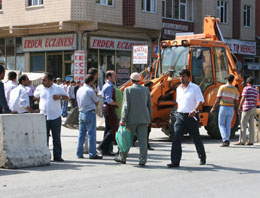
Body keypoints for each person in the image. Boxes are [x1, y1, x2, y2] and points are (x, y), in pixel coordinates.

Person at [167, 69, 206, 168]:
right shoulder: (178, 88)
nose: (181, 78)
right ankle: (175, 161)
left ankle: (202, 156)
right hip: (180, 116)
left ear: (189, 77)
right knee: (176, 138)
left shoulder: (195, 88)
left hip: (191, 116)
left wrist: (195, 110)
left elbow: (200, 101)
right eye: (180, 76)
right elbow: (179, 102)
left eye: (183, 76)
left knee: (196, 138)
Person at [114, 72, 152, 166]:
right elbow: (149, 106)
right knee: (143, 141)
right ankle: (142, 160)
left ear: (131, 81)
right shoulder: (146, 90)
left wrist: (123, 119)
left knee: (126, 139)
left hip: (131, 120)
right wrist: (149, 119)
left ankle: (122, 157)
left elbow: (126, 106)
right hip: (143, 119)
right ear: (140, 80)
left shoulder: (128, 90)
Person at [34, 72, 69, 162]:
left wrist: (59, 97)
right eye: (42, 80)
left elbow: (67, 97)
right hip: (43, 116)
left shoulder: (58, 88)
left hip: (55, 116)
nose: (42, 81)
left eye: (44, 80)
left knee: (56, 137)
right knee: (44, 137)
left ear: (50, 81)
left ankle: (57, 156)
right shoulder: (40, 88)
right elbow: (35, 96)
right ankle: (45, 156)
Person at [76, 74, 102, 159]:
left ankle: (79, 153)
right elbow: (97, 101)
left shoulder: (80, 89)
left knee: (81, 134)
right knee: (91, 134)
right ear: (91, 81)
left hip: (81, 112)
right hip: (89, 113)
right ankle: (92, 154)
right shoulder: (90, 90)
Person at [210, 74, 239, 147]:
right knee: (228, 124)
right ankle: (227, 139)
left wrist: (213, 107)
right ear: (232, 81)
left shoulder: (222, 87)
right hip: (231, 109)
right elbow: (236, 101)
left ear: (227, 80)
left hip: (223, 107)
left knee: (221, 124)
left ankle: (225, 140)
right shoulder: (235, 89)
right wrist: (237, 109)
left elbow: (218, 99)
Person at [98, 71, 119, 156]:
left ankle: (105, 149)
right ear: (109, 77)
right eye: (114, 75)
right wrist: (116, 103)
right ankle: (101, 146)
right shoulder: (109, 86)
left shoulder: (106, 85)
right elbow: (109, 100)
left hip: (107, 109)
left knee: (108, 129)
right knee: (113, 129)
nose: (115, 77)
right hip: (109, 109)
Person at [233, 77, 258, 146]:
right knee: (251, 125)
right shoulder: (255, 90)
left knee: (243, 124)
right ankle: (251, 141)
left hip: (246, 108)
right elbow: (256, 100)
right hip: (253, 108)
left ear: (247, 82)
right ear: (253, 83)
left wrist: (239, 107)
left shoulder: (246, 88)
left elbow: (243, 98)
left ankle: (242, 141)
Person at [83, 67, 98, 154]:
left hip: (84, 109)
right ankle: (90, 149)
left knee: (84, 132)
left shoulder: (87, 85)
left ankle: (85, 148)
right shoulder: (90, 86)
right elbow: (95, 100)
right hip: (89, 109)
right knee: (90, 132)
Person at [144, 81, 154, 150]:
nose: (152, 88)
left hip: (144, 114)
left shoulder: (143, 92)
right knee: (147, 131)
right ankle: (146, 145)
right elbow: (148, 105)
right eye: (151, 86)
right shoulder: (146, 92)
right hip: (146, 115)